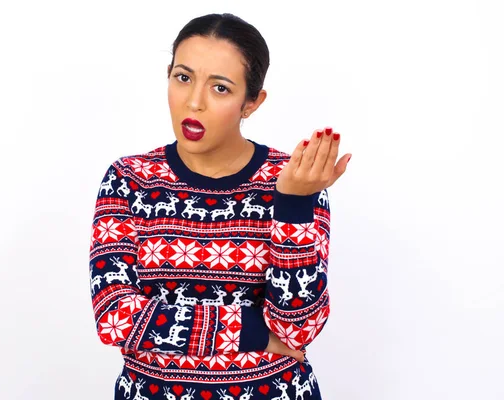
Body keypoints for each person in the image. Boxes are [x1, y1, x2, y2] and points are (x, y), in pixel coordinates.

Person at [89, 13, 350, 400]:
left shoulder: (293, 179)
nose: (194, 102)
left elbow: (298, 329)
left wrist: (293, 203)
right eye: (183, 77)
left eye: (221, 88)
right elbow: (114, 318)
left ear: (252, 102)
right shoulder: (129, 179)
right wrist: (252, 331)